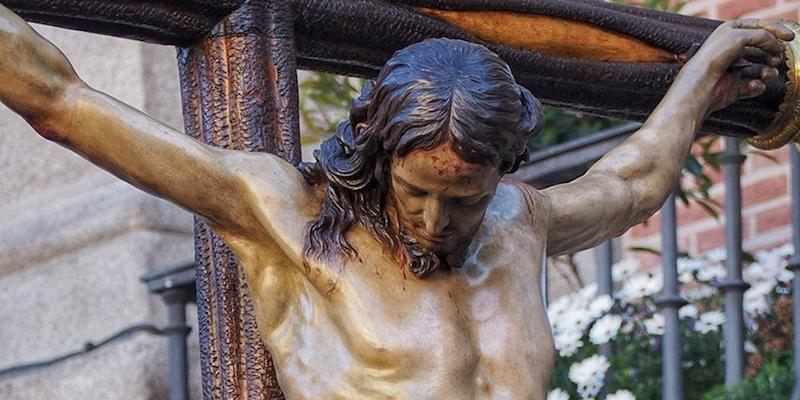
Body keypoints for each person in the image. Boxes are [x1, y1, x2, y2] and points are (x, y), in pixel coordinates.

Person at [0, 3, 792, 398]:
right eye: (416, 193)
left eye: (466, 201)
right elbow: (66, 103)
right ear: (377, 157)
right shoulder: (290, 215)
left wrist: (702, 72)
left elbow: (632, 180)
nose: (437, 222)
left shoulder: (520, 221)